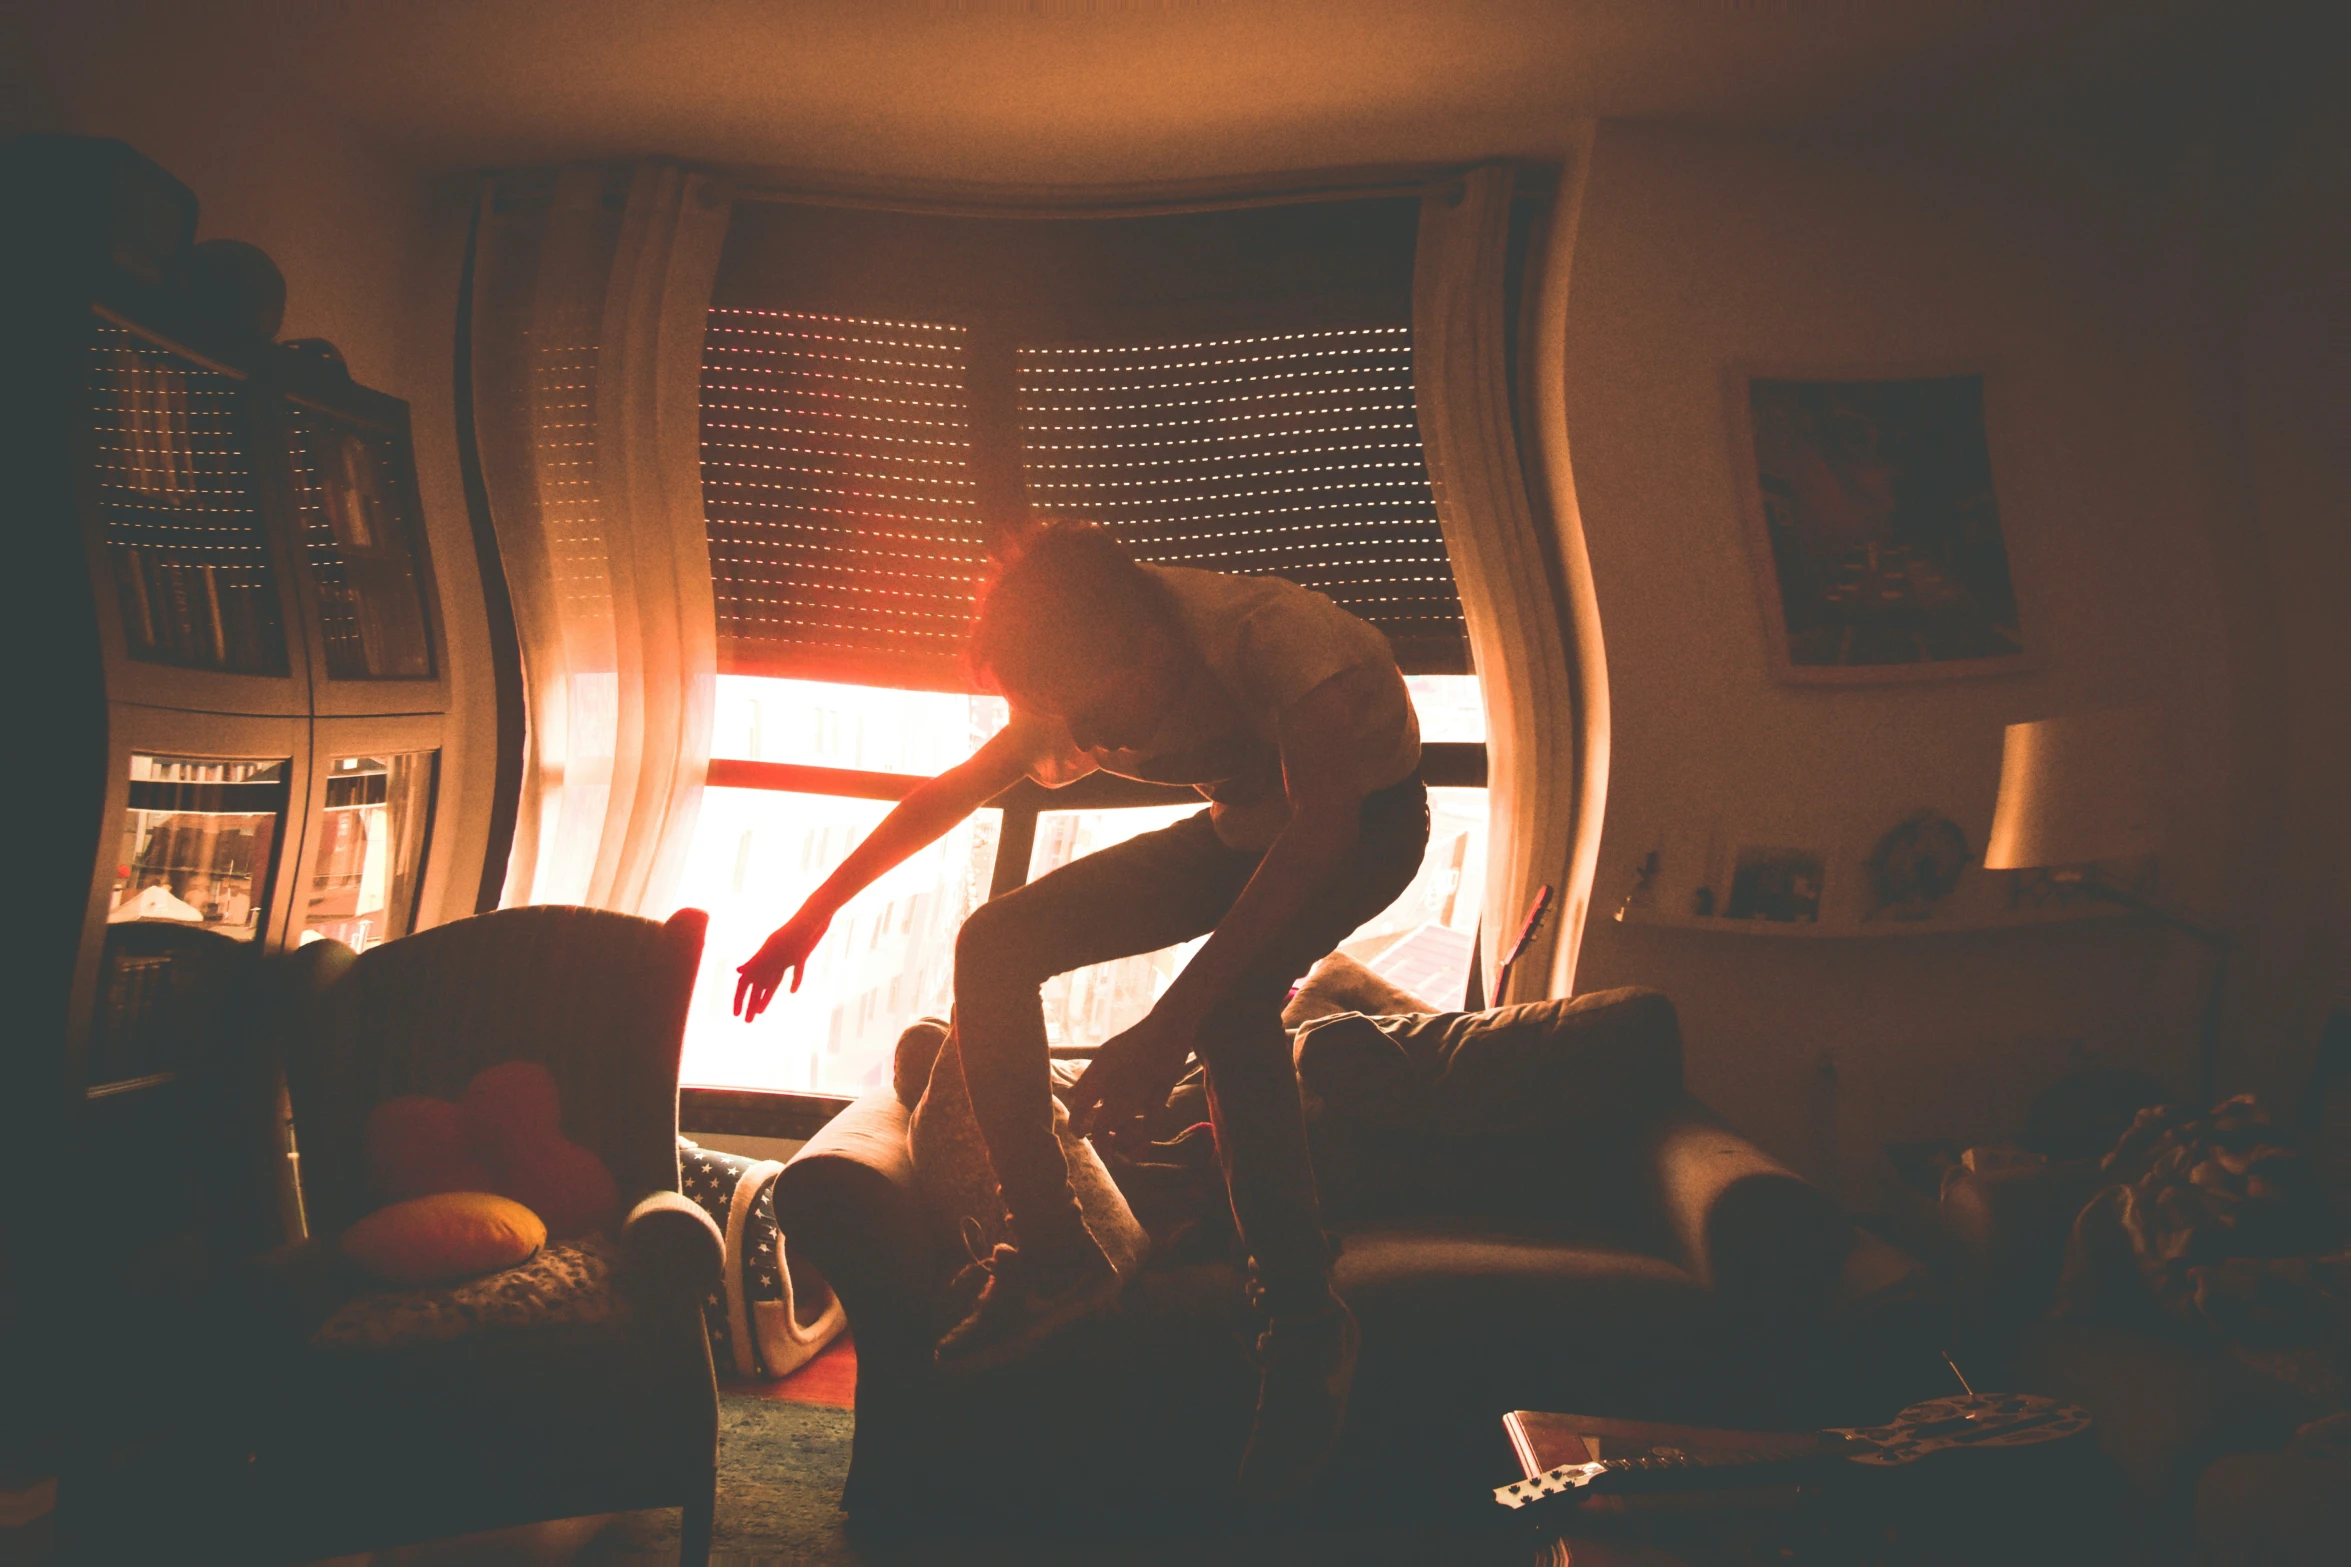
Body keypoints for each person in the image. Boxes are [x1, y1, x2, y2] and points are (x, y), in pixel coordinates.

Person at [734, 521, 1428, 1499]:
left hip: (1364, 825)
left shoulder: (1278, 639)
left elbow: (1320, 834)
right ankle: (1052, 1254)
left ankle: (1307, 1323)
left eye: (1099, 715)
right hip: (1241, 829)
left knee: (1228, 1014)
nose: (1093, 742)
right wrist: (809, 915)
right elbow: (944, 796)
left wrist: (1167, 1024)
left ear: (1147, 646)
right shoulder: (1081, 673)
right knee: (994, 942)